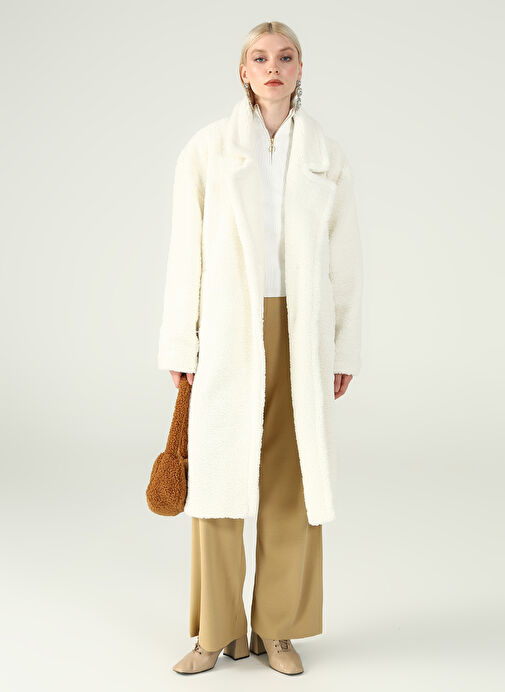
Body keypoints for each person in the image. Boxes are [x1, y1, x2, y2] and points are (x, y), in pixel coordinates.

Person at [158, 20, 363, 675]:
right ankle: (214, 633)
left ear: (300, 69)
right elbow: (184, 250)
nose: (272, 67)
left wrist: (343, 351)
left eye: (285, 57)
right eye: (259, 57)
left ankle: (278, 629)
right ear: (243, 71)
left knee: (290, 481)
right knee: (218, 478)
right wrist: (181, 340)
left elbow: (345, 261)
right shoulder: (207, 150)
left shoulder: (326, 156)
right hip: (227, 329)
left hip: (300, 331)